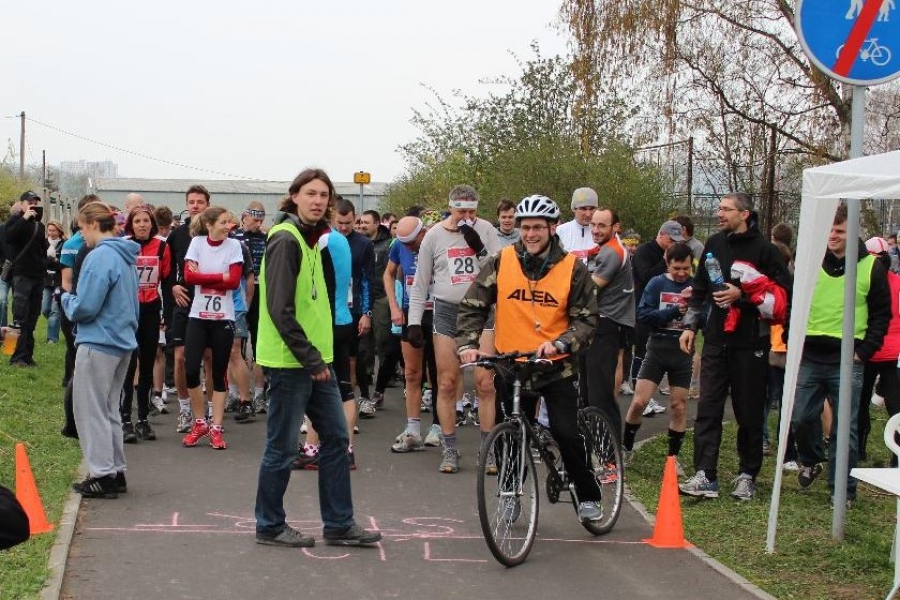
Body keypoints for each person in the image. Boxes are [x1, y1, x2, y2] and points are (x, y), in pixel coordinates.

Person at [254, 168, 381, 548]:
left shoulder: (313, 240)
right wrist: (312, 359)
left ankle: (339, 524)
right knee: (282, 446)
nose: (318, 200)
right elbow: (280, 309)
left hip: (315, 359)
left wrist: (320, 358)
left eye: (323, 195)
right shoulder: (285, 239)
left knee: (338, 438)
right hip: (292, 362)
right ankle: (269, 524)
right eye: (310, 193)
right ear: (294, 196)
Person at [456, 194, 605, 521]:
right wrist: (468, 343)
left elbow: (587, 320)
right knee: (508, 434)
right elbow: (473, 305)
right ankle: (510, 492)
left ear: (553, 228)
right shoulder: (501, 261)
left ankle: (587, 492)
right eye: (526, 227)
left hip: (556, 368)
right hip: (512, 365)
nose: (531, 233)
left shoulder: (572, 269)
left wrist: (563, 343)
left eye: (538, 226)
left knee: (566, 434)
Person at [678, 193, 790, 501]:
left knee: (749, 412)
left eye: (726, 209)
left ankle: (747, 474)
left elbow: (783, 296)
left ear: (744, 214)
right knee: (708, 408)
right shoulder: (714, 244)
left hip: (751, 343)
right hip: (715, 341)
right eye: (718, 208)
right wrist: (690, 326)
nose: (719, 213)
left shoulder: (765, 250)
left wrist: (741, 295)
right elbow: (700, 288)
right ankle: (705, 474)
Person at [790, 208, 890, 503]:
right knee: (801, 416)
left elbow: (882, 315)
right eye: (830, 231)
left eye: (840, 231)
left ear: (853, 233)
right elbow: (797, 303)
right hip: (810, 355)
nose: (833, 236)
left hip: (848, 358)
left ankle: (843, 489)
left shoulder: (871, 267)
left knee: (845, 428)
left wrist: (864, 352)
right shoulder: (810, 262)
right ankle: (811, 460)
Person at [406, 184, 502, 473]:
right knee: (447, 383)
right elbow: (421, 283)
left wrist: (480, 248)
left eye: (472, 211)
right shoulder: (434, 236)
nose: (467, 217)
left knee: (486, 383)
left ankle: (488, 450)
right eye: (461, 211)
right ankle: (449, 449)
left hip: (481, 309)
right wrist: (413, 323)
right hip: (447, 312)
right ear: (451, 208)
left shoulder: (485, 229)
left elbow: (502, 271)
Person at [62, 202, 140, 498]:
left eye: (82, 228)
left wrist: (67, 300)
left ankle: (101, 473)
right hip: (122, 340)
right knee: (110, 408)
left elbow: (86, 306)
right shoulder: (126, 256)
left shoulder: (99, 257)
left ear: (94, 223)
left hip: (98, 341)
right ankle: (115, 469)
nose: (82, 235)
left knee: (90, 409)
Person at [622, 242, 694, 471]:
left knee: (678, 406)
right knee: (639, 402)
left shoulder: (696, 286)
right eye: (677, 268)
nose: (682, 273)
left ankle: (673, 459)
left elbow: (708, 316)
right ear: (668, 264)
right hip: (657, 348)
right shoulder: (657, 283)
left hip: (682, 352)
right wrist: (674, 310)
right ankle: (626, 448)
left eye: (686, 268)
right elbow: (643, 315)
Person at [180, 207, 244, 450]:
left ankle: (215, 427)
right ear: (210, 225)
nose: (229, 226)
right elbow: (189, 276)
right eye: (223, 222)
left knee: (218, 372)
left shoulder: (234, 246)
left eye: (229, 222)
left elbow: (235, 281)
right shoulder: (197, 242)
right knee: (190, 368)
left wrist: (205, 275)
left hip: (223, 318)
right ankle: (199, 423)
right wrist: (220, 276)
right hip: (198, 315)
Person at [120, 205, 172, 443]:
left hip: (150, 309)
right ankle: (125, 420)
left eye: (146, 221)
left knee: (148, 363)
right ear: (131, 224)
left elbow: (168, 281)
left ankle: (142, 419)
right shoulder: (123, 245)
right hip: (127, 310)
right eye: (137, 221)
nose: (142, 225)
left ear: (152, 224)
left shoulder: (162, 246)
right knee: (128, 365)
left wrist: (167, 316)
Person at [388, 216, 441, 452]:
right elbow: (388, 274)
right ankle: (413, 429)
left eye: (412, 243)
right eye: (404, 244)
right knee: (411, 373)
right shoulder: (399, 245)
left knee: (440, 375)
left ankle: (439, 427)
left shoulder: (438, 240)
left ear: (423, 232)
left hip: (440, 313)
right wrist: (394, 307)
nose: (409, 248)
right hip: (412, 314)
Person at [582, 206, 635, 441]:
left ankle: (610, 456)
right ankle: (591, 446)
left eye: (602, 225)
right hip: (597, 325)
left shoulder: (612, 252)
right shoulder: (604, 249)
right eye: (593, 224)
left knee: (599, 395)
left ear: (616, 227)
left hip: (606, 326)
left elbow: (589, 290)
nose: (595, 229)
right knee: (586, 392)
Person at [166, 186, 211, 434]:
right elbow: (168, 268)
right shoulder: (178, 235)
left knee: (209, 358)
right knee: (181, 358)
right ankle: (185, 410)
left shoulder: (216, 234)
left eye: (200, 202)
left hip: (208, 304)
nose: (195, 206)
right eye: (191, 202)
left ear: (207, 205)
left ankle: (211, 413)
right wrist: (173, 286)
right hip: (183, 303)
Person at [630, 220, 685, 400]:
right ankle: (638, 390)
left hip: (668, 311)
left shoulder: (673, 253)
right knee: (642, 349)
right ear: (661, 234)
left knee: (659, 350)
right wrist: (664, 261)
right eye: (671, 240)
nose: (674, 245)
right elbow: (646, 277)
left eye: (677, 241)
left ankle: (653, 393)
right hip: (644, 307)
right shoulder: (644, 251)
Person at [858, 237, 900, 465]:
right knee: (895, 405)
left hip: (868, 350)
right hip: (892, 353)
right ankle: (896, 456)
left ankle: (859, 450)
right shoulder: (897, 283)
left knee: (861, 402)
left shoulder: (864, 279)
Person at [5, 191, 49, 367]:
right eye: (30, 202)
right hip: (21, 275)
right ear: (22, 204)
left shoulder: (40, 226)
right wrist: (24, 218)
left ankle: (27, 356)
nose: (33, 205)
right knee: (19, 316)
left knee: (32, 317)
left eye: (36, 202)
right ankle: (13, 355)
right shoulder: (15, 221)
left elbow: (42, 250)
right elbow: (9, 237)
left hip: (38, 276)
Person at [232, 201, 269, 413]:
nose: (258, 224)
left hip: (260, 291)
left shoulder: (266, 239)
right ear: (244, 216)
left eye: (262, 220)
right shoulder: (233, 238)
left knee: (258, 345)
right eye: (255, 219)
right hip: (237, 294)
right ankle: (235, 392)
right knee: (234, 346)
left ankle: (258, 394)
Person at [556, 187, 599, 266]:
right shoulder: (559, 231)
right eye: (583, 209)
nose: (588, 214)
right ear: (574, 209)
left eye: (592, 208)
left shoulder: (605, 232)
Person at [42, 220, 67, 344]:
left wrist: (54, 261)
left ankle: (52, 338)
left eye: (54, 230)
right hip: (46, 281)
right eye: (49, 230)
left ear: (59, 231)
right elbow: (40, 262)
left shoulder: (65, 244)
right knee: (45, 309)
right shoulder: (43, 243)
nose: (51, 233)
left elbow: (63, 264)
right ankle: (59, 321)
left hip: (59, 281)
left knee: (54, 310)